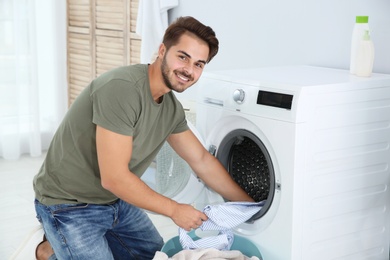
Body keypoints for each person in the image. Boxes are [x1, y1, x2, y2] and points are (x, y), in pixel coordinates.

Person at [29, 16, 253, 260]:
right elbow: (114, 178)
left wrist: (250, 206)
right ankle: (48, 249)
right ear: (162, 50)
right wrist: (174, 210)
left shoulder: (170, 109)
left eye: (199, 64)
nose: (189, 70)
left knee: (154, 255)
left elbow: (201, 160)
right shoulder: (121, 89)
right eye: (183, 57)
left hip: (115, 202)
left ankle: (65, 245)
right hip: (68, 204)